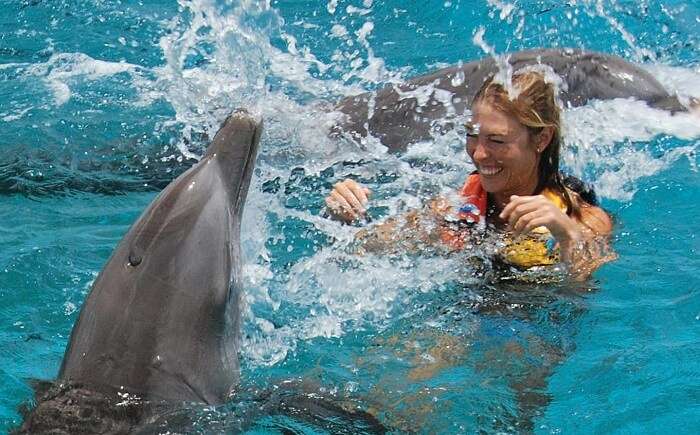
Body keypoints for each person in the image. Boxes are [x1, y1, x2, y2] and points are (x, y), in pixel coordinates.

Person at [324, 71, 614, 277]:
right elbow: (364, 248)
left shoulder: (582, 216)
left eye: (497, 141)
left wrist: (564, 232)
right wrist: (344, 215)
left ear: (541, 139)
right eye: (472, 136)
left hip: (536, 328)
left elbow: (581, 285)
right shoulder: (452, 208)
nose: (478, 154)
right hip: (466, 315)